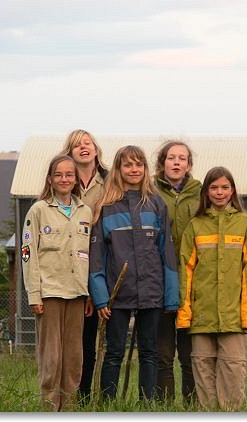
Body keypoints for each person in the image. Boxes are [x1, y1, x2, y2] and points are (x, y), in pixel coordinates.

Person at [153, 140, 247, 404]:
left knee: (192, 356)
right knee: (162, 353)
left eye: (182, 158)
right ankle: (163, 407)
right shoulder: (150, 192)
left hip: (198, 284)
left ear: (189, 165)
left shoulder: (201, 192)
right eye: (171, 157)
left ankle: (194, 407)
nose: (176, 162)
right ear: (162, 163)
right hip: (161, 279)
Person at [88, 145, 179, 401]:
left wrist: (171, 296)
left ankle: (146, 405)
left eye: (139, 164)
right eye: (128, 165)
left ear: (145, 169)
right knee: (114, 352)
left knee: (149, 352)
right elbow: (97, 257)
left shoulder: (156, 204)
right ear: (118, 169)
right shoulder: (106, 207)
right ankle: (107, 404)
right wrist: (100, 297)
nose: (134, 169)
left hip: (152, 290)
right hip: (117, 294)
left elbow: (167, 252)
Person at [176, 166, 247, 411]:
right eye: (214, 187)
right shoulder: (195, 226)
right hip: (202, 316)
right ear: (206, 192)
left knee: (233, 368)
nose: (219, 192)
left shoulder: (245, 224)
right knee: (202, 369)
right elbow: (185, 272)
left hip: (233, 317)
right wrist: (185, 313)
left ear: (232, 191)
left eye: (224, 187)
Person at [21, 154, 92, 411]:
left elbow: (87, 255)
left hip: (77, 294)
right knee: (52, 358)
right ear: (50, 179)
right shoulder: (39, 210)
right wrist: (34, 294)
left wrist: (89, 294)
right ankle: (49, 409)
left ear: (76, 179)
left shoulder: (85, 212)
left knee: (73, 358)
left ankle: (69, 408)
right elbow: (28, 253)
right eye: (58, 174)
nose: (64, 179)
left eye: (69, 175)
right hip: (50, 293)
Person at [60, 129, 109, 402]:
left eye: (87, 143)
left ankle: (84, 396)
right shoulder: (64, 181)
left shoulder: (109, 181)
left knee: (89, 340)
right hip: (69, 263)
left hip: (99, 260)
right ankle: (63, 395)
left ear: (96, 149)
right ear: (69, 152)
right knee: (69, 340)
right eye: (77, 145)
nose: (83, 148)